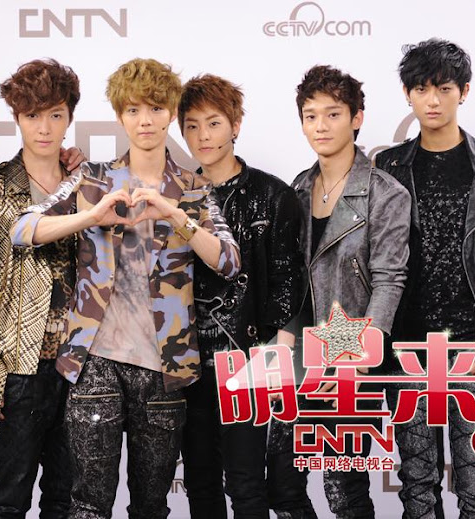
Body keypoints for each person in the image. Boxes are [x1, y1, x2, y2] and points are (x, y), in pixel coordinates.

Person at [10, 57, 241, 519]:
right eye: (133, 110)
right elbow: (22, 230)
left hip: (164, 366)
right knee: (87, 505)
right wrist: (90, 217)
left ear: (170, 113)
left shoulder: (193, 188)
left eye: (155, 108)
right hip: (95, 361)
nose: (145, 120)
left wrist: (174, 214)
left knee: (151, 506)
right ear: (120, 116)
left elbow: (230, 261)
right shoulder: (92, 179)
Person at [375, 38, 475, 519]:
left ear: (464, 91)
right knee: (417, 489)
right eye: (421, 89)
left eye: (444, 88)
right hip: (408, 350)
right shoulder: (389, 165)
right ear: (407, 94)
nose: (433, 100)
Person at [267, 65, 411, 519]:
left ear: (356, 118)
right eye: (311, 116)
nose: (321, 126)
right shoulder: (297, 188)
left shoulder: (385, 193)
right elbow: (291, 280)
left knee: (343, 488)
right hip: (299, 357)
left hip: (352, 357)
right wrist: (282, 354)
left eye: (333, 114)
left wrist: (356, 359)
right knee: (281, 486)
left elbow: (389, 280)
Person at [0, 59, 83, 518]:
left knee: (67, 499)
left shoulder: (88, 186)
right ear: (17, 117)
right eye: (33, 116)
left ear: (69, 117)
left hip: (80, 364)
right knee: (10, 498)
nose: (44, 128)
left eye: (55, 115)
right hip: (15, 366)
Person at [177, 73, 301, 518]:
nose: (203, 136)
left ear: (235, 125)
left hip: (248, 359)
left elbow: (288, 280)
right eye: (192, 126)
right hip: (188, 363)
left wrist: (277, 356)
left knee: (247, 483)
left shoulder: (273, 195)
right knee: (200, 483)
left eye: (213, 123)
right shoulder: (177, 195)